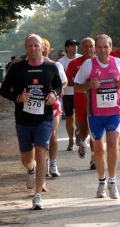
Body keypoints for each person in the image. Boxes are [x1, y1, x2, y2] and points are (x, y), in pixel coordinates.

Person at [0, 34, 63, 210]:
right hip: (23, 119)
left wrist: (53, 94)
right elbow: (3, 90)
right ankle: (30, 170)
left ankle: (37, 195)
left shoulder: (51, 67)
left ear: (43, 47)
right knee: (27, 158)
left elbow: (58, 85)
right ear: (26, 48)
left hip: (44, 118)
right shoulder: (17, 68)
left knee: (41, 153)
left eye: (37, 46)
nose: (34, 49)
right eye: (30, 46)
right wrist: (19, 97)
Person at [74, 34, 120, 199]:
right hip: (95, 115)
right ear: (95, 49)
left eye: (106, 47)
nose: (103, 50)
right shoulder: (88, 64)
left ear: (111, 48)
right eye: (100, 47)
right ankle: (101, 180)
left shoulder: (118, 63)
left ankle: (112, 181)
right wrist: (89, 85)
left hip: (114, 113)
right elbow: (77, 87)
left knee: (112, 146)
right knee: (99, 151)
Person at [65, 37, 97, 169]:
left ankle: (94, 158)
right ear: (82, 48)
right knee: (84, 131)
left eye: (91, 46)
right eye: (86, 46)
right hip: (80, 100)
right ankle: (83, 142)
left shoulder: (99, 62)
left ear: (94, 48)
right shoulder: (75, 63)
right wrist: (84, 84)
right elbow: (68, 81)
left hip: (96, 102)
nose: (89, 49)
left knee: (95, 131)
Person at [42, 39, 67, 178]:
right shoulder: (29, 66)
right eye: (42, 47)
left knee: (52, 134)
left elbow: (64, 82)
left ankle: (53, 163)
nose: (44, 49)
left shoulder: (55, 65)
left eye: (46, 47)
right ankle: (42, 163)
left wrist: (57, 91)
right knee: (40, 136)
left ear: (49, 50)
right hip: (36, 105)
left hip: (53, 104)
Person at [57, 40, 83, 151]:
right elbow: (60, 78)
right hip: (68, 93)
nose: (75, 47)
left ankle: (78, 132)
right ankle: (71, 140)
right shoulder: (61, 61)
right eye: (72, 45)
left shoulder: (81, 58)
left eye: (76, 45)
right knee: (69, 118)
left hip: (80, 92)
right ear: (67, 48)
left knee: (79, 116)